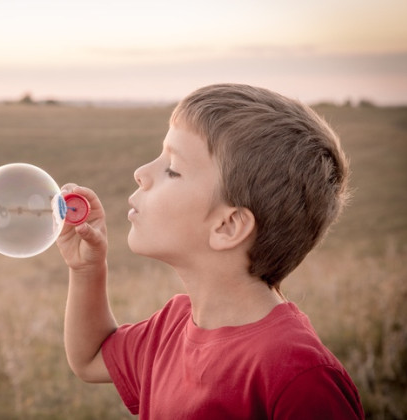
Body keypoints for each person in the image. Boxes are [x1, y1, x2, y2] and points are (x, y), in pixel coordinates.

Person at [56, 83, 364, 419]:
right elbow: (90, 359)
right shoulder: (172, 326)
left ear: (227, 226)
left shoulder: (299, 376)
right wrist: (87, 270)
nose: (141, 173)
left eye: (172, 169)